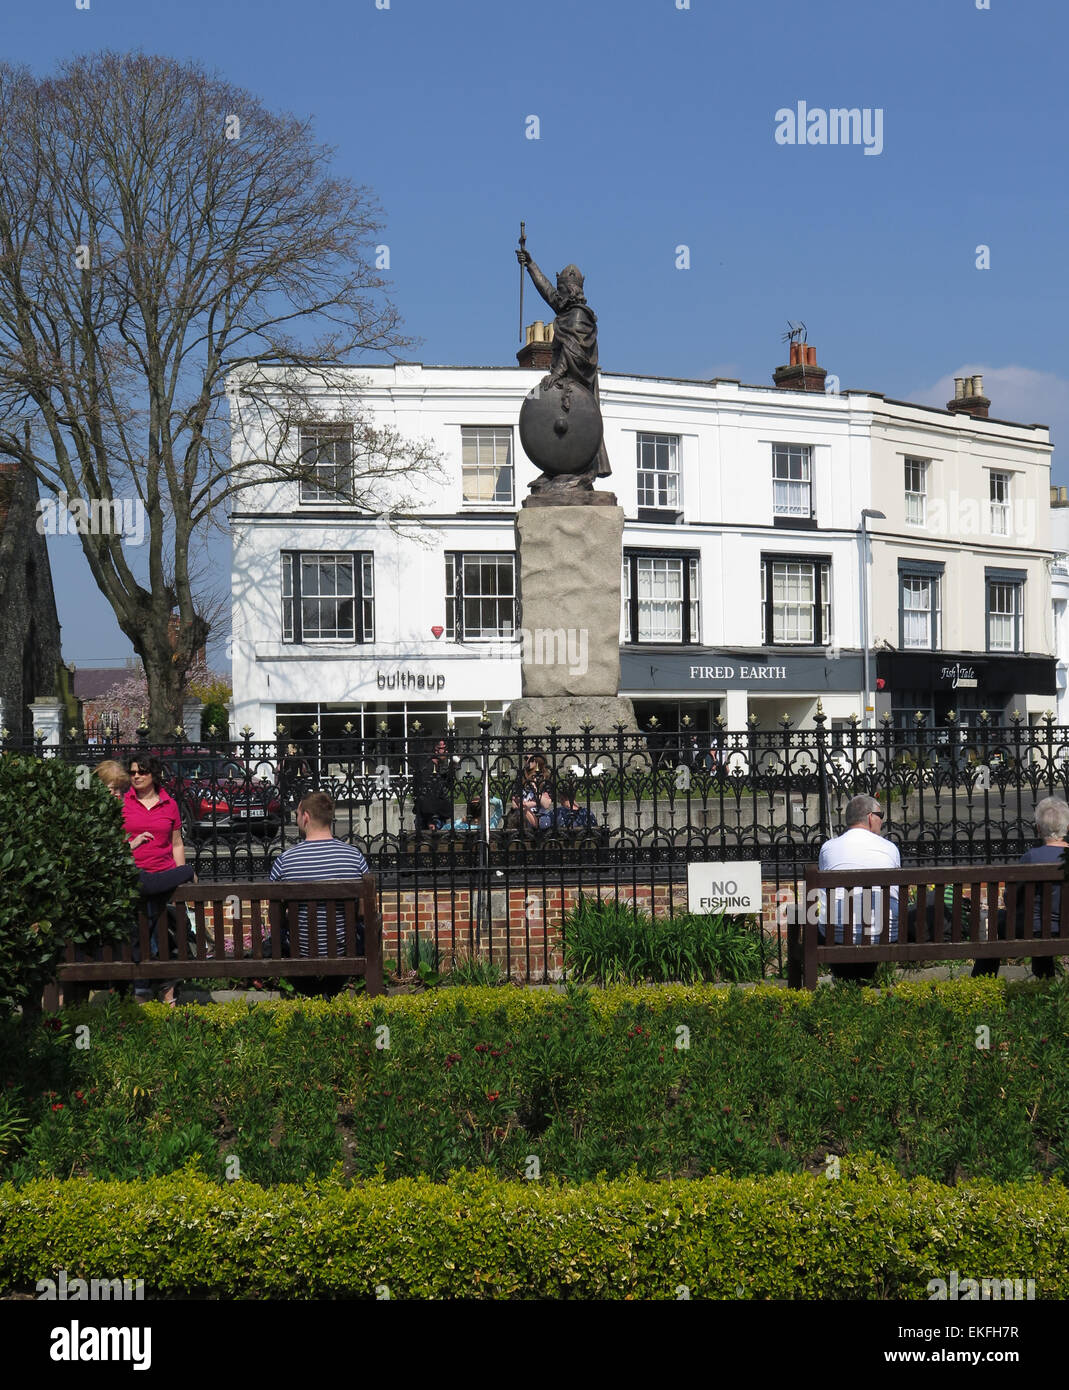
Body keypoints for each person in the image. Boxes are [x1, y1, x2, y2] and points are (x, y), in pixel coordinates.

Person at [269, 791, 369, 998]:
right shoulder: (354, 857)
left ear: (306, 816)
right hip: (343, 951)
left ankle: (313, 994)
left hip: (300, 951)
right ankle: (327, 993)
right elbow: (363, 911)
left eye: (297, 814)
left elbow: (275, 914)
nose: (297, 818)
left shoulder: (285, 861)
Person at [123, 755, 194, 1005]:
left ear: (154, 775)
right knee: (145, 934)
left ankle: (149, 989)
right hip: (136, 878)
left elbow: (176, 843)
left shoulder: (169, 804)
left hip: (164, 878)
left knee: (162, 934)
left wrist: (180, 874)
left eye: (142, 772)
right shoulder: (124, 803)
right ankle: (157, 987)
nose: (136, 776)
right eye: (132, 772)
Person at [972, 795, 1067, 980]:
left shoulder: (1031, 858)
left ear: (1038, 828)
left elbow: (1011, 898)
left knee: (998, 921)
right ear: (1067, 828)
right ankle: (1045, 979)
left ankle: (981, 981)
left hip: (1033, 928)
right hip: (1064, 928)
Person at [817, 794, 900, 983]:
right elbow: (895, 896)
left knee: (823, 922)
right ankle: (862, 982)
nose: (882, 821)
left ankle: (846, 984)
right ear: (871, 817)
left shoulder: (828, 848)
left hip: (837, 934)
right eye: (881, 815)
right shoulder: (890, 848)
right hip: (884, 933)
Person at [412, 738, 457, 831]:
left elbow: (448, 786)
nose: (446, 751)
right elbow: (426, 795)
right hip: (431, 818)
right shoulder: (428, 768)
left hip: (436, 815)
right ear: (435, 750)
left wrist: (453, 766)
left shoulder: (437, 767)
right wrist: (431, 820)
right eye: (443, 748)